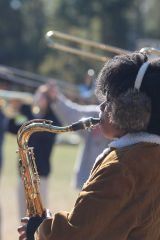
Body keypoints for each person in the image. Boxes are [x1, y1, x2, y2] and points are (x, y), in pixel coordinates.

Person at [18, 50, 160, 240]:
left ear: (130, 110)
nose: (101, 107)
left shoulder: (120, 168)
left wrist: (39, 228)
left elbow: (75, 235)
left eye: (108, 100)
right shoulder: (150, 157)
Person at [8, 85, 61, 218]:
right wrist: (16, 110)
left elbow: (39, 134)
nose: (38, 99)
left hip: (40, 173)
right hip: (24, 172)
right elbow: (12, 128)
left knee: (39, 214)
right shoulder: (26, 114)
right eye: (38, 95)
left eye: (43, 96)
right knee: (22, 213)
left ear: (48, 100)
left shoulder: (52, 119)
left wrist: (27, 114)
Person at [46, 80, 109, 190]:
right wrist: (56, 98)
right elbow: (72, 113)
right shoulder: (95, 113)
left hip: (112, 180)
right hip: (89, 179)